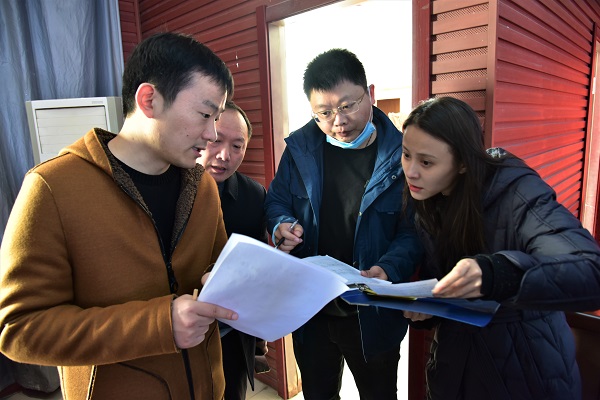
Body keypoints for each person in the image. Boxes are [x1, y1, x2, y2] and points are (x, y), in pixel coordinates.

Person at [0, 32, 240, 400]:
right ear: (149, 100)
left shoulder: (202, 186)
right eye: (205, 115)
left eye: (217, 118)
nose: (211, 134)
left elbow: (216, 267)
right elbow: (20, 329)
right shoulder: (52, 187)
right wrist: (159, 324)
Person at [400, 96, 600, 400]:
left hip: (527, 371)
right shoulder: (428, 199)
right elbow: (442, 281)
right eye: (406, 155)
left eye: (426, 162)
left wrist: (499, 274)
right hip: (454, 369)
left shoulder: (517, 192)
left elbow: (590, 270)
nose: (411, 171)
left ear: (463, 163)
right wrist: (427, 310)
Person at [264, 48, 422, 400]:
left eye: (347, 106)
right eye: (324, 112)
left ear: (370, 94)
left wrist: (388, 267)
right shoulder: (300, 150)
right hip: (312, 309)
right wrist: (281, 225)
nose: (337, 121)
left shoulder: (400, 156)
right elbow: (277, 201)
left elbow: (412, 231)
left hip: (372, 312)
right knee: (318, 393)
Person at [197, 100, 270, 400]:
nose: (225, 155)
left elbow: (255, 266)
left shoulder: (254, 195)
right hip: (180, 333)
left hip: (231, 335)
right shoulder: (168, 188)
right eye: (216, 140)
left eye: (237, 146)